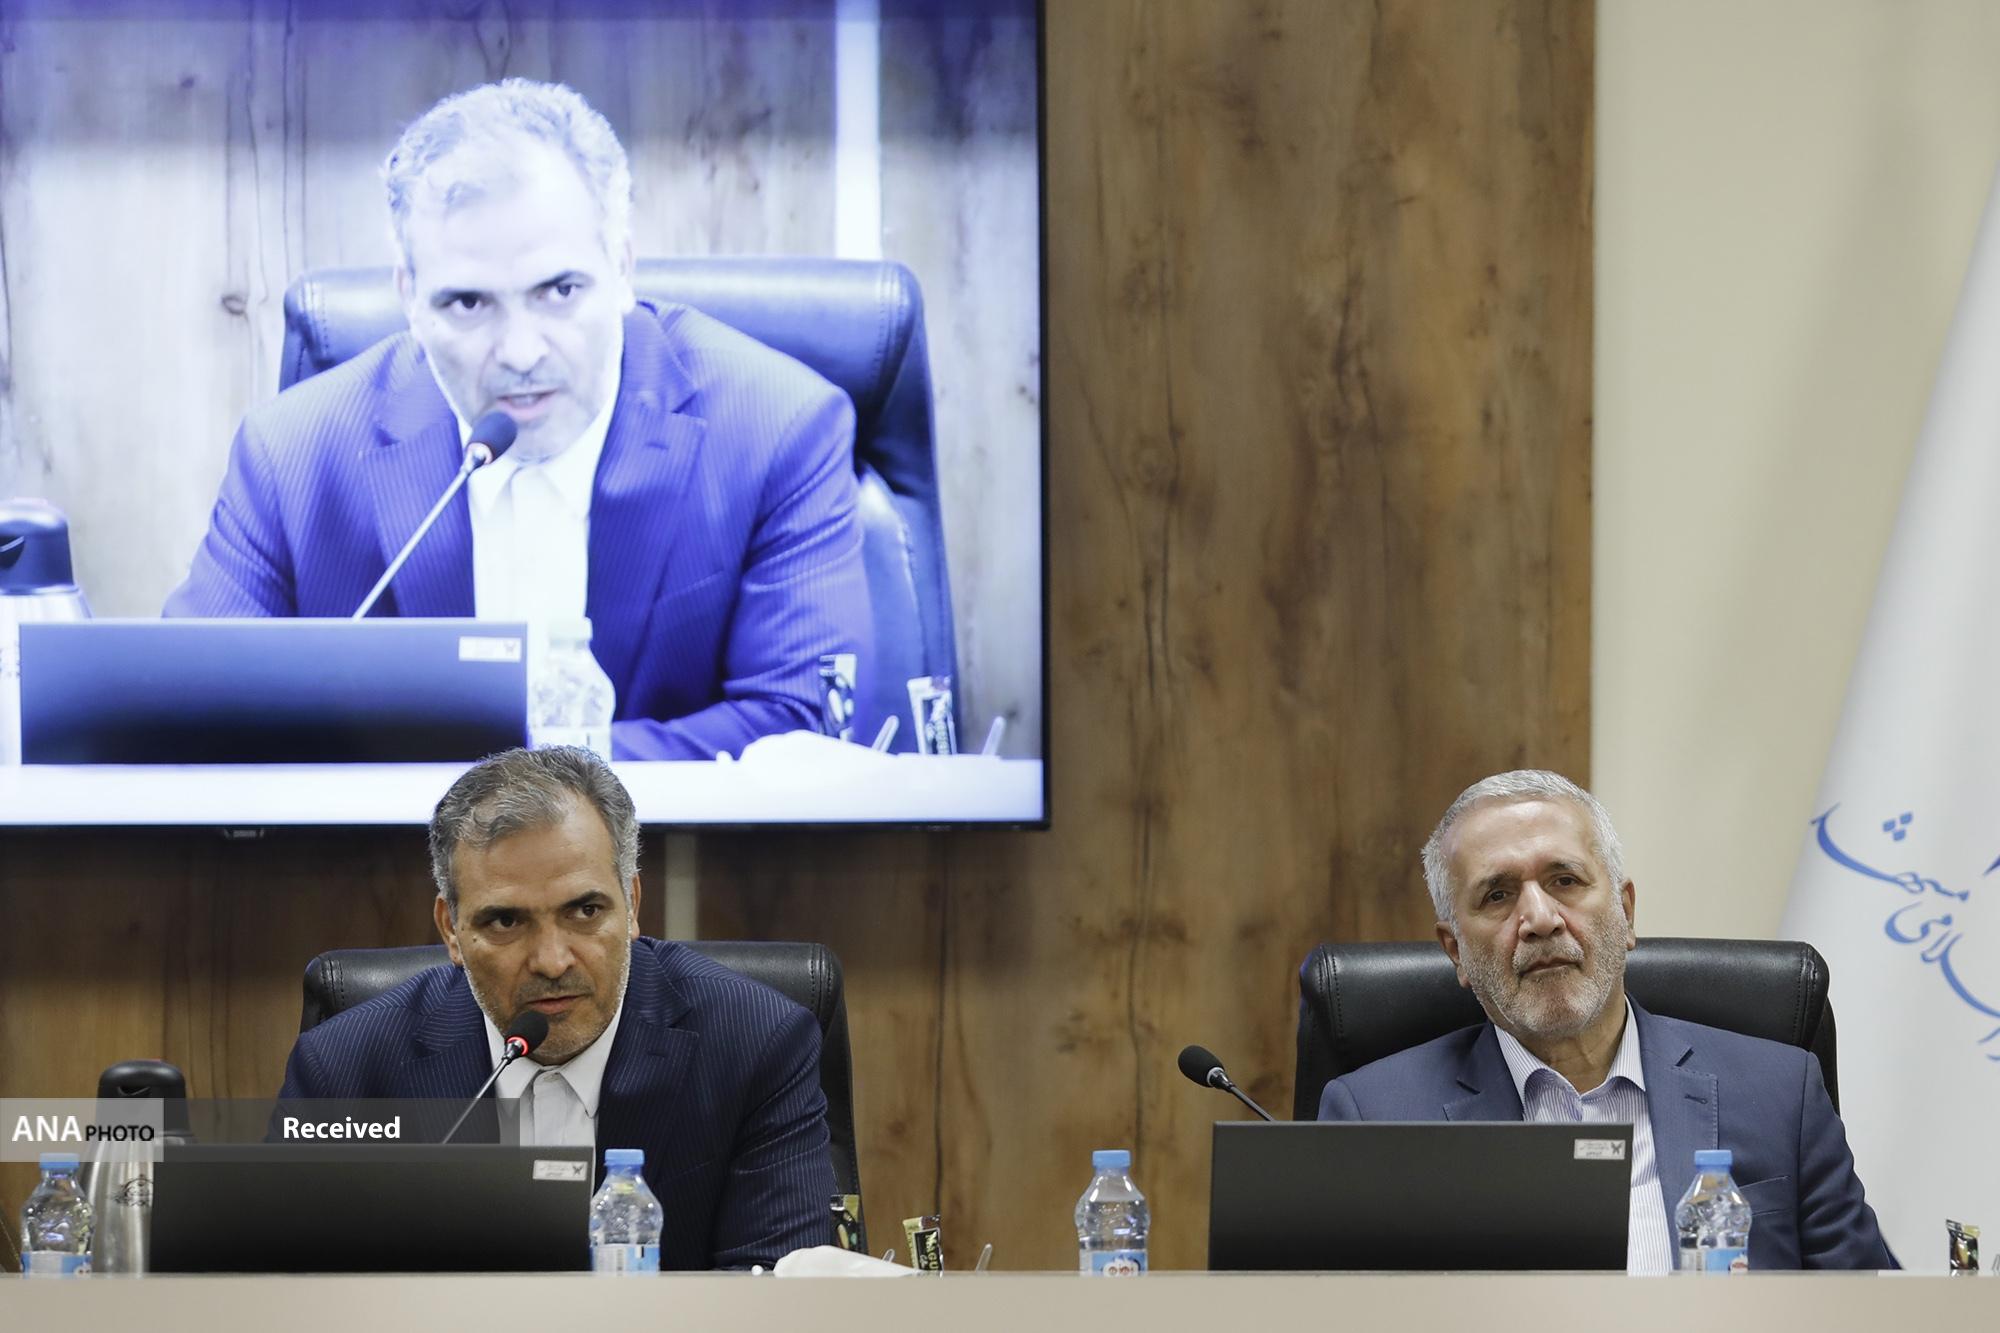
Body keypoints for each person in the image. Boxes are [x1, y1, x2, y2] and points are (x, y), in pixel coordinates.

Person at [164, 79, 870, 760]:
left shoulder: (774, 428)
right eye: (469, 304)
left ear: (622, 269)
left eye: (558, 291)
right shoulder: (292, 455)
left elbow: (803, 722)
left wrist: (510, 786)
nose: (521, 351)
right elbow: (185, 719)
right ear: (409, 298)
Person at [276, 746, 835, 1269]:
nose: (551, 960)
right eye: (505, 921)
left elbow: (781, 1296)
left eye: (585, 911)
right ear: (451, 930)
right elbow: (286, 1295)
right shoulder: (344, 1072)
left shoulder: (755, 1044)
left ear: (632, 904)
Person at [1317, 769, 1895, 1272]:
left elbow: (1875, 1311)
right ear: (1456, 953)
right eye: (1497, 895)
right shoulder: (1374, 1122)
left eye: (1565, 880)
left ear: (1625, 912)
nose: (1540, 919)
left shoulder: (1780, 1094)